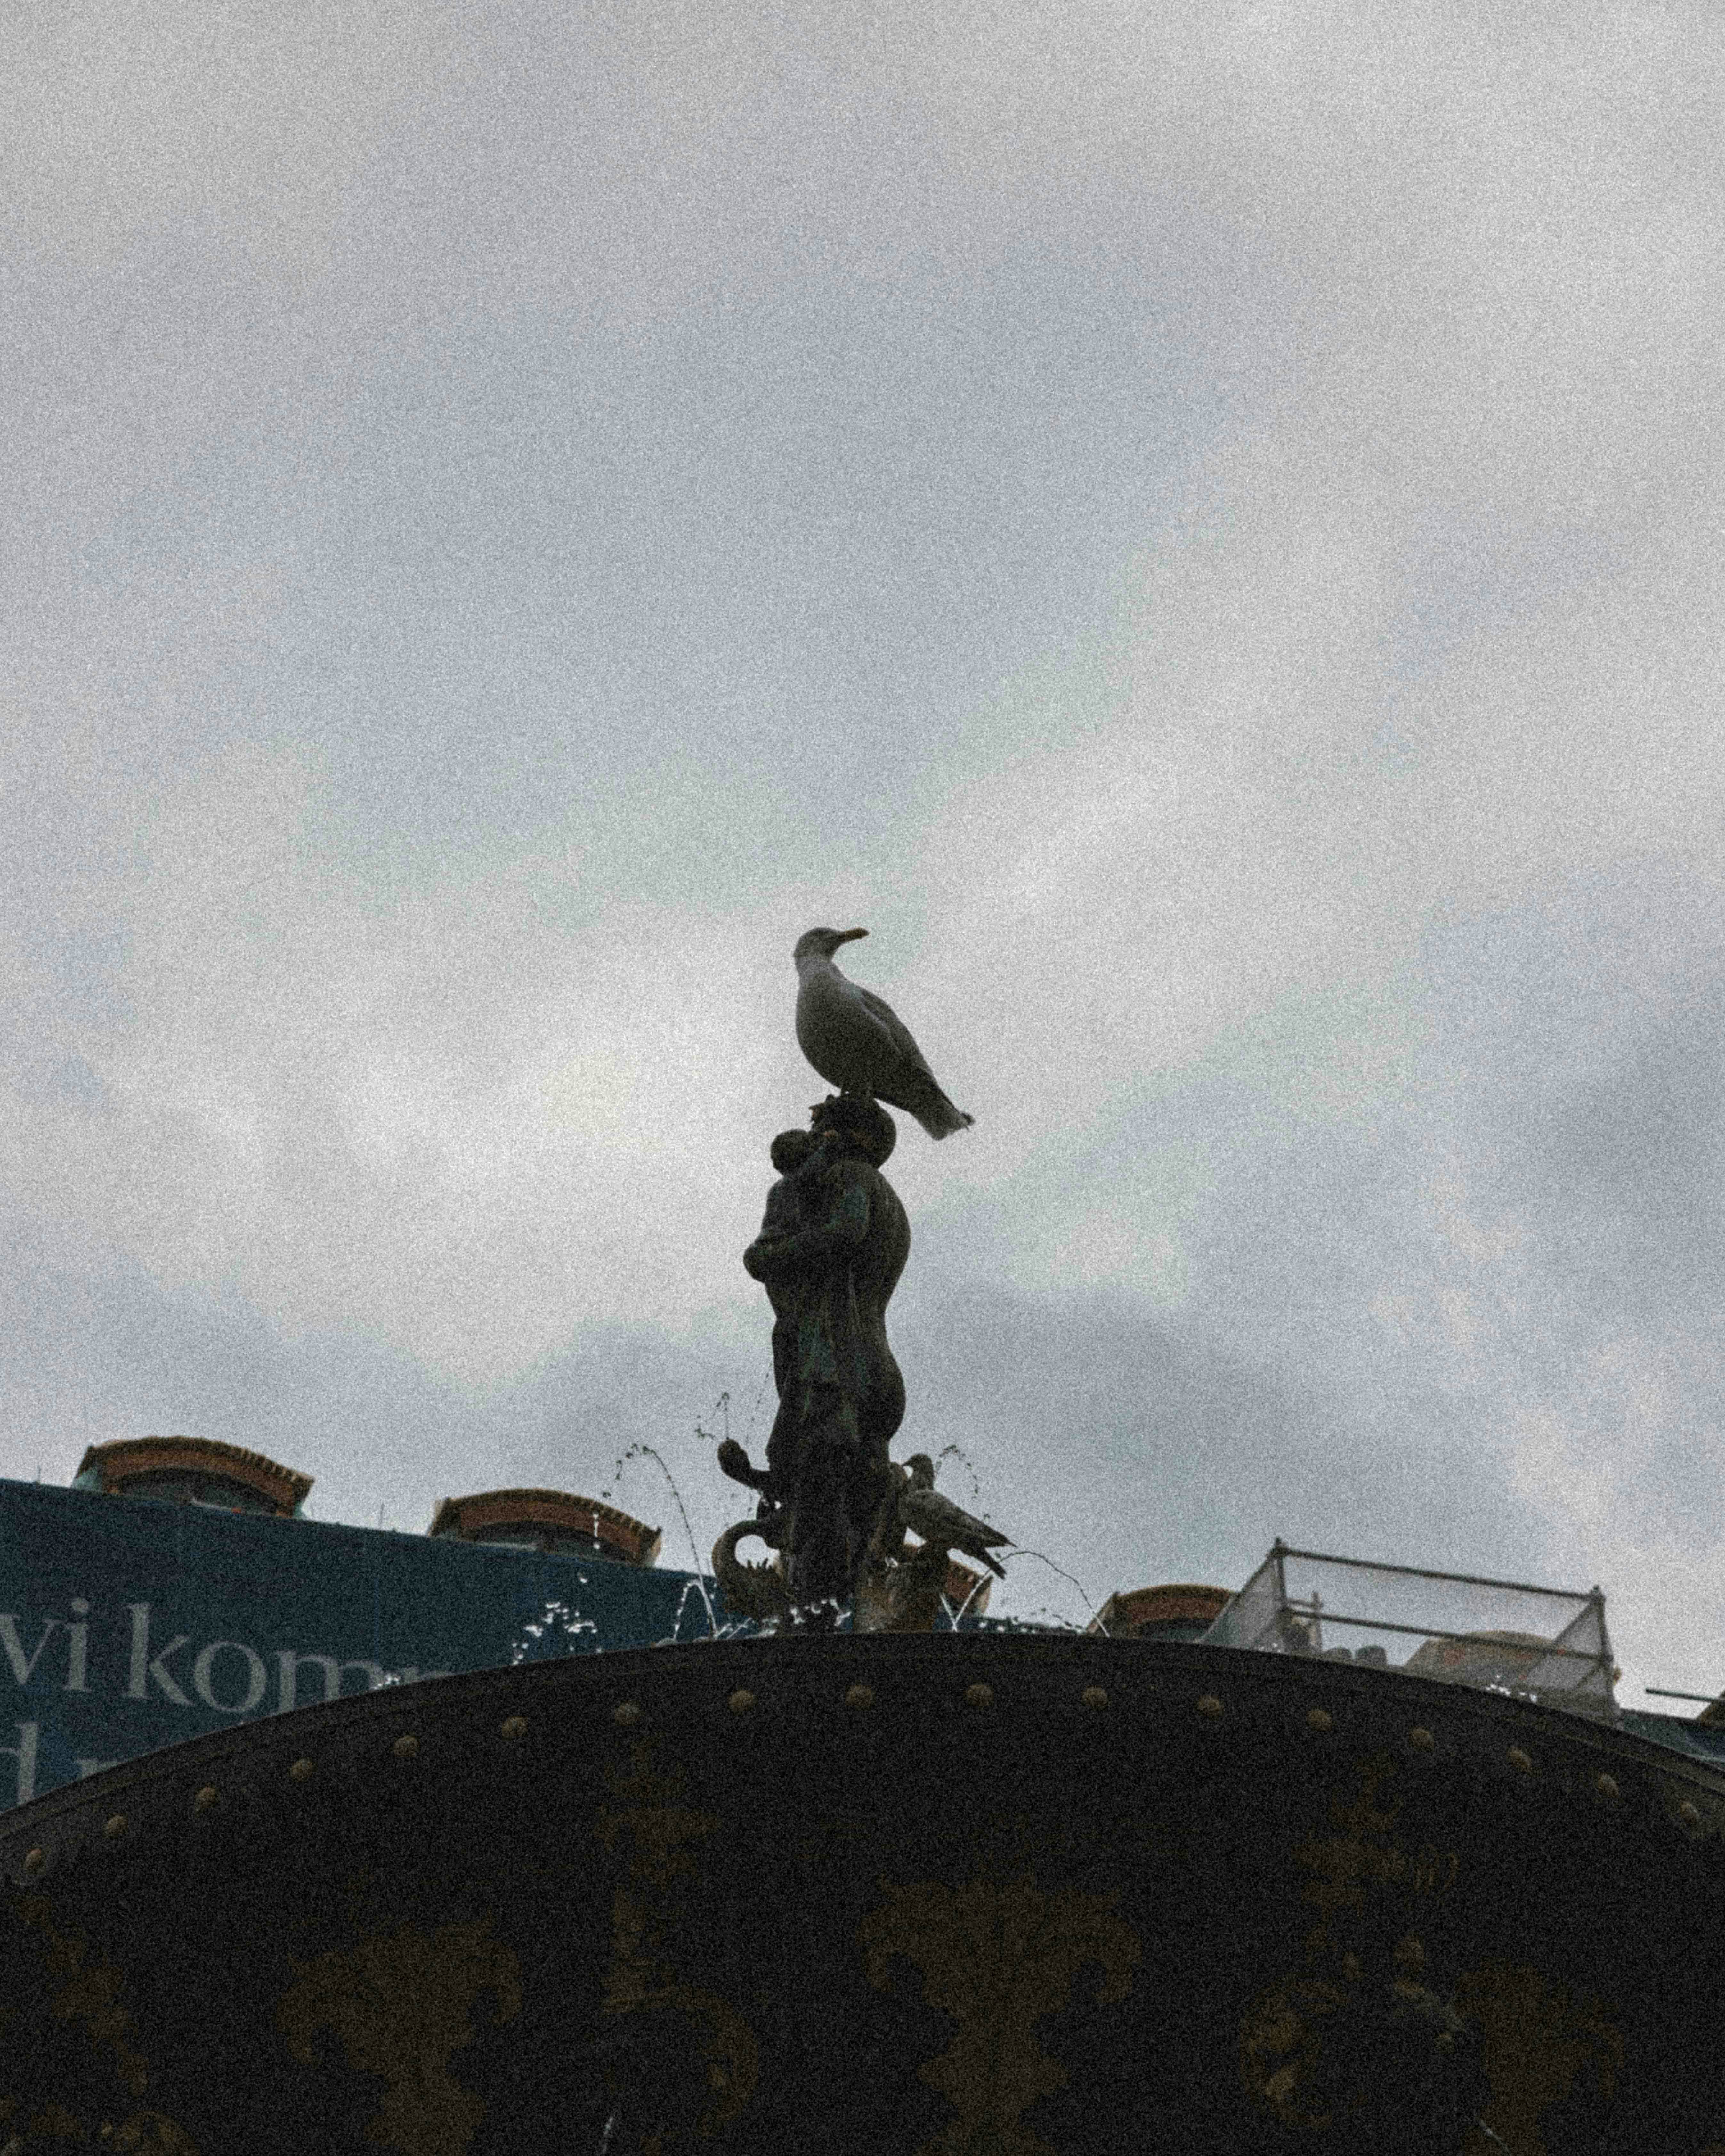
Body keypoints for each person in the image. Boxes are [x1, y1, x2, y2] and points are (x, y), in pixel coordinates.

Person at [741, 1096, 910, 1610]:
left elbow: (846, 1232)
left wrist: (766, 1254)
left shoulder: (850, 1181)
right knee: (861, 1500)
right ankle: (856, 1604)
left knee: (819, 1500)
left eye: (820, 1136)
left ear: (840, 1139)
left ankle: (816, 1617)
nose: (812, 1147)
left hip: (834, 1363)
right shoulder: (892, 1202)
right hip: (876, 1366)